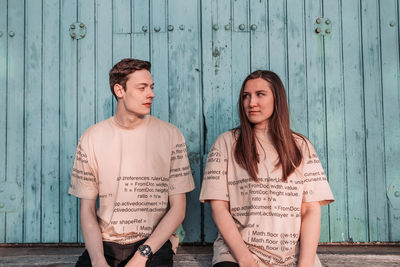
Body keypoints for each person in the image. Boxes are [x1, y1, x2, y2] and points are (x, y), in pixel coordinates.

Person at [200, 70, 334, 267]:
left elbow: (311, 210)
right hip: (237, 255)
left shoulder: (301, 146)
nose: (251, 102)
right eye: (246, 96)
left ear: (277, 98)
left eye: (260, 94)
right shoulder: (226, 143)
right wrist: (245, 260)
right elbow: (219, 207)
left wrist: (305, 263)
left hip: (292, 255)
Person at [69, 58, 195, 267]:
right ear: (120, 90)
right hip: (106, 244)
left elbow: (178, 209)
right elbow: (87, 210)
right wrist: (98, 260)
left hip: (152, 245)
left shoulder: (171, 135)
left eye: (151, 87)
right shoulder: (92, 138)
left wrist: (142, 256)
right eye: (142, 88)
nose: (151, 94)